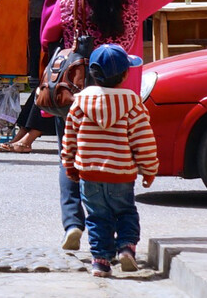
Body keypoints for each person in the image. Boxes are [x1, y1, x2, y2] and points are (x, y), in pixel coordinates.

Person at [41, 0, 182, 251]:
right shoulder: (136, 0)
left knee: (71, 156)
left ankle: (74, 224)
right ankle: (123, 238)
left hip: (74, 94)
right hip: (123, 99)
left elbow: (47, 34)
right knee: (121, 161)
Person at [61, 44, 158, 277]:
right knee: (125, 212)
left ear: (93, 74)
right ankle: (125, 247)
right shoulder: (132, 103)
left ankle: (101, 262)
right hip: (121, 174)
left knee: (97, 218)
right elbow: (143, 140)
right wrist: (149, 169)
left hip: (89, 175)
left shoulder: (80, 102)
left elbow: (70, 137)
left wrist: (69, 164)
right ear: (125, 74)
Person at [0, 0, 91, 154]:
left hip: (54, 40)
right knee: (58, 91)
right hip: (67, 43)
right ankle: (26, 139)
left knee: (47, 88)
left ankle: (22, 135)